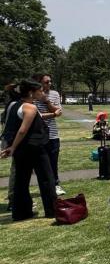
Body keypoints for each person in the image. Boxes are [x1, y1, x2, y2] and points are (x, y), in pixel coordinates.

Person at [0, 80, 60, 221]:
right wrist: (12, 148)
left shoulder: (14, 105)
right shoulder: (30, 108)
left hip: (21, 149)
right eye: (40, 90)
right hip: (35, 147)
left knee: (21, 181)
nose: (42, 93)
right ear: (31, 92)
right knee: (46, 178)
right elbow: (22, 130)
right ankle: (52, 210)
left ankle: (21, 212)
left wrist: (12, 147)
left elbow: (11, 126)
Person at [33, 74, 65, 196]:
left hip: (52, 134)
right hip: (38, 134)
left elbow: (58, 111)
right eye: (46, 82)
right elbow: (36, 115)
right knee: (40, 164)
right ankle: (45, 187)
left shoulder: (55, 94)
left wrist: (46, 101)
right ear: (40, 82)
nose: (49, 84)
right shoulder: (34, 95)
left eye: (50, 81)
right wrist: (52, 113)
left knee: (53, 162)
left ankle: (56, 184)